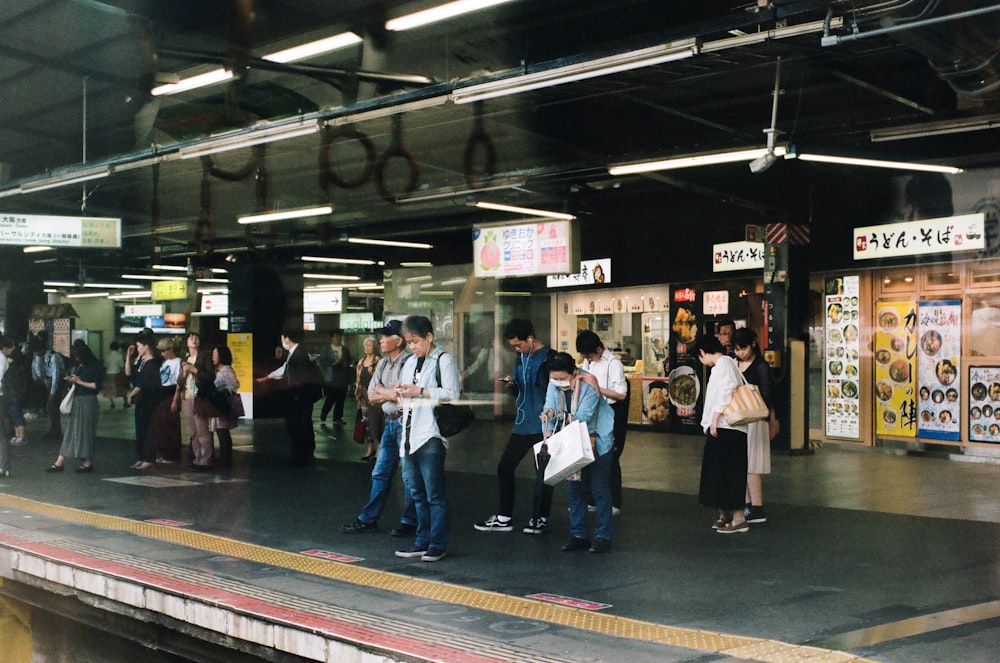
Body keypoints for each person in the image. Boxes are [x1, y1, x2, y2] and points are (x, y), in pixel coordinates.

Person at [474, 319, 556, 535]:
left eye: (519, 345)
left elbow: (556, 390)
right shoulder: (521, 358)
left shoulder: (550, 357)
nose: (516, 349)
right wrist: (512, 384)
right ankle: (504, 517)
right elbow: (520, 389)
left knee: (544, 473)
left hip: (544, 424)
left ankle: (540, 518)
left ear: (530, 338)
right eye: (514, 347)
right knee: (505, 467)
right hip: (523, 422)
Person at [340, 320, 417, 537]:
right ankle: (369, 519)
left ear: (398, 340)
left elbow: (400, 395)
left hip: (406, 422)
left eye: (385, 336)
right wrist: (387, 392)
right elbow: (371, 394)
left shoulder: (409, 362)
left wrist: (386, 392)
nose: (380, 340)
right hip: (390, 422)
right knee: (380, 472)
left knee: (409, 475)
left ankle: (410, 521)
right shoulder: (383, 364)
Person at [392, 316, 460, 563]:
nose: (412, 346)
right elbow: (406, 395)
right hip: (409, 434)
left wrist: (419, 391)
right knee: (416, 493)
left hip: (430, 434)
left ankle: (437, 543)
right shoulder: (410, 362)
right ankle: (421, 541)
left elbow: (453, 394)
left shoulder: (444, 360)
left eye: (416, 341)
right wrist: (399, 392)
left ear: (429, 337)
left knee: (434, 494)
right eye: (409, 342)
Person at [542, 352, 615, 553]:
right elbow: (548, 408)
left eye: (562, 378)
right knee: (575, 490)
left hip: (597, 440)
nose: (557, 382)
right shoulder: (553, 384)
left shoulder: (589, 384)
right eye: (554, 378)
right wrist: (548, 434)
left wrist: (555, 415)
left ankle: (603, 536)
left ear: (573, 372)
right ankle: (579, 535)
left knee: (599, 489)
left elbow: (583, 416)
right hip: (571, 442)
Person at [694, 334, 750, 534]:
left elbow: (727, 390)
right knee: (722, 474)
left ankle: (738, 518)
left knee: (728, 473)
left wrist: (715, 418)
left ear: (702, 352)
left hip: (727, 428)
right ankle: (727, 516)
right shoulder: (724, 364)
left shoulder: (724, 364)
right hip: (724, 428)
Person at [576, 330, 629, 515]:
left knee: (610, 457)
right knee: (589, 454)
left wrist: (597, 388)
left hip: (610, 413)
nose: (588, 359)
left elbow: (621, 393)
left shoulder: (614, 364)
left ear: (599, 349)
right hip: (591, 413)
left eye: (590, 355)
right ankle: (590, 499)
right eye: (585, 357)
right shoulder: (587, 361)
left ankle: (615, 501)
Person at [255, 329, 321, 467]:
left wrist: (295, 393)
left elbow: (300, 377)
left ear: (287, 339)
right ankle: (306, 450)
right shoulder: (295, 353)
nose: (282, 342)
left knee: (298, 424)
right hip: (301, 396)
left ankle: (300, 454)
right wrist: (267, 377)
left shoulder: (299, 355)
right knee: (303, 422)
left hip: (299, 397)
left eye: (282, 338)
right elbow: (284, 369)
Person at [733, 328, 773, 525]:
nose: (740, 353)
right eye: (737, 349)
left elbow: (766, 396)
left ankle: (757, 506)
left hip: (755, 419)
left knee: (752, 465)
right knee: (743, 463)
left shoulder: (761, 366)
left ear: (753, 345)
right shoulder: (735, 364)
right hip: (741, 418)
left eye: (743, 348)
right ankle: (748, 504)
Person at [46, 339, 102, 473]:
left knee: (83, 431)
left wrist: (80, 382)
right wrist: (73, 380)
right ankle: (63, 461)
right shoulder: (82, 365)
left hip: (87, 401)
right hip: (79, 400)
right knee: (73, 431)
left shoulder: (94, 366)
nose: (76, 358)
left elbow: (97, 386)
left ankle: (81, 462)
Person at [125, 332, 163, 470]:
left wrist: (130, 394)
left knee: (148, 428)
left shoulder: (152, 363)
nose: (138, 348)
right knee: (140, 428)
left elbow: (143, 383)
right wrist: (128, 356)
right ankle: (141, 456)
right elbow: (129, 373)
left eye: (139, 346)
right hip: (141, 401)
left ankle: (149, 457)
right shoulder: (141, 361)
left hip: (150, 399)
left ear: (146, 346)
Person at [179, 333, 213, 467]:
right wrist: (184, 373)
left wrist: (194, 369)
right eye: (191, 338)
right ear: (186, 343)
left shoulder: (204, 357)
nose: (194, 340)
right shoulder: (186, 358)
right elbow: (180, 380)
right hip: (187, 396)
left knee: (202, 429)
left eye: (196, 338)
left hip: (200, 396)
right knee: (193, 431)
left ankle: (206, 460)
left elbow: (211, 377)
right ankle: (197, 457)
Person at [210, 345, 241, 469]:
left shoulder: (226, 370)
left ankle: (226, 458)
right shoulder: (221, 370)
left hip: (223, 404)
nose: (212, 357)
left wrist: (222, 389)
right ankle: (225, 457)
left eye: (215, 354)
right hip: (220, 404)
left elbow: (234, 385)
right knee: (222, 432)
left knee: (223, 432)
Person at [155, 338, 183, 464]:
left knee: (171, 425)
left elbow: (178, 382)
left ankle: (172, 454)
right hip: (163, 393)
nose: (162, 354)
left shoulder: (178, 362)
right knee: (163, 425)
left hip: (171, 393)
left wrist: (175, 399)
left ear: (171, 349)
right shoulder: (165, 363)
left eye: (164, 351)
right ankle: (164, 453)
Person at [354, 336, 381, 461]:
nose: (367, 347)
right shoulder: (361, 362)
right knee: (366, 424)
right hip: (363, 395)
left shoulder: (378, 361)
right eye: (366, 345)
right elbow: (358, 381)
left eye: (369, 345)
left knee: (376, 423)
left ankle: (379, 449)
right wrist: (358, 397)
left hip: (375, 397)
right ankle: (370, 449)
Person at [318, 328, 353, 426]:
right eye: (335, 336)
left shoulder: (344, 349)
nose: (338, 338)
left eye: (339, 336)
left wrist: (345, 364)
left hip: (342, 377)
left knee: (341, 399)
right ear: (331, 338)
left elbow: (349, 360)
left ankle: (337, 417)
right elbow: (322, 361)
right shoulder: (326, 348)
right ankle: (324, 412)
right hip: (331, 376)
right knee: (331, 397)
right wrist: (333, 363)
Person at [2, 336, 29, 449]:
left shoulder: (10, 360)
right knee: (13, 414)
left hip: (13, 392)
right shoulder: (7, 360)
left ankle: (21, 436)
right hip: (10, 391)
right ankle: (18, 436)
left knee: (16, 414)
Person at [102, 341, 127, 409]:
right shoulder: (119, 356)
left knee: (109, 390)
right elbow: (122, 365)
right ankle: (125, 402)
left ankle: (112, 403)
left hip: (109, 374)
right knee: (121, 389)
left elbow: (105, 365)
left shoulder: (107, 356)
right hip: (117, 374)